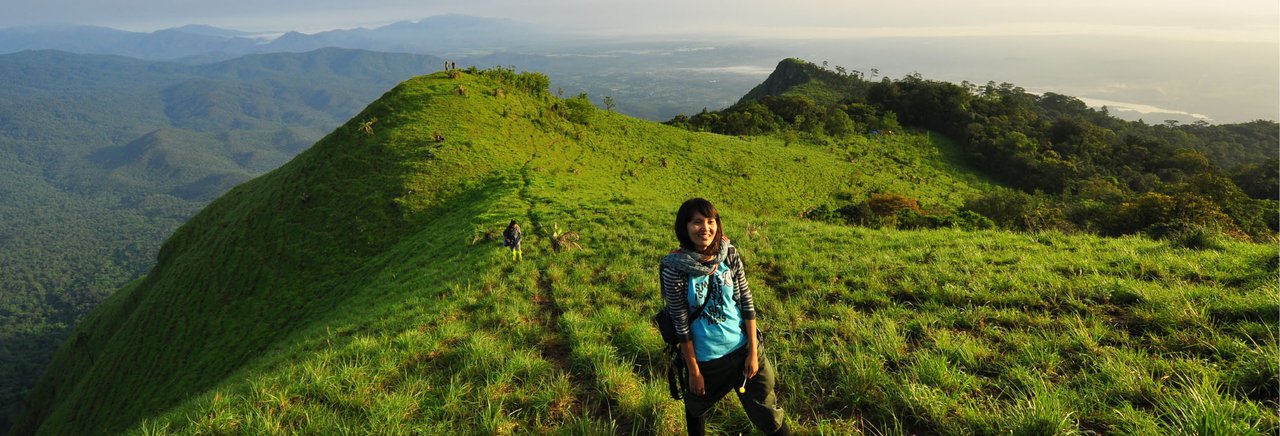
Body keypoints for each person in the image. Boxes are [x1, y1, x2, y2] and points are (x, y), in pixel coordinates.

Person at [660, 198, 790, 435]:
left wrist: (753, 351)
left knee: (770, 414)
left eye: (710, 221)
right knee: (696, 409)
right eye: (697, 222)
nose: (705, 228)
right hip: (707, 360)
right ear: (685, 227)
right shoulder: (675, 267)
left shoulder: (728, 254)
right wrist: (694, 371)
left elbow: (746, 303)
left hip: (743, 350)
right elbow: (681, 323)